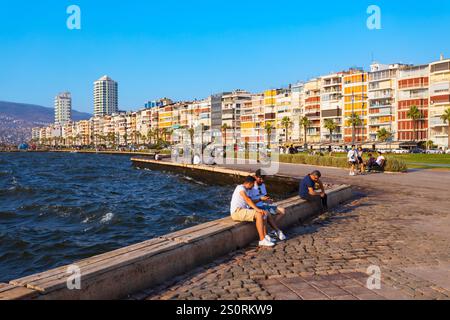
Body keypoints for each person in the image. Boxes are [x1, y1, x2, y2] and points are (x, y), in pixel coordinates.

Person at [230, 176, 285, 247]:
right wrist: (257, 209)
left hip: (243, 210)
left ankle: (265, 236)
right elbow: (247, 200)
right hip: (237, 212)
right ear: (249, 183)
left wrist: (260, 199)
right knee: (259, 214)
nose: (253, 187)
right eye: (253, 185)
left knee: (264, 213)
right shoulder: (240, 188)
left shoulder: (247, 190)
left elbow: (250, 201)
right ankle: (262, 240)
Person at [248, 169, 286, 240]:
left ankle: (272, 230)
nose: (262, 180)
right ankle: (276, 231)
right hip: (255, 207)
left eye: (263, 178)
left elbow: (264, 197)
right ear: (255, 177)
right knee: (267, 213)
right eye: (260, 178)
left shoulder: (263, 185)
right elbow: (249, 202)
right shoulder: (251, 186)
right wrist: (260, 199)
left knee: (282, 211)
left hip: (263, 205)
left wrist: (268, 200)